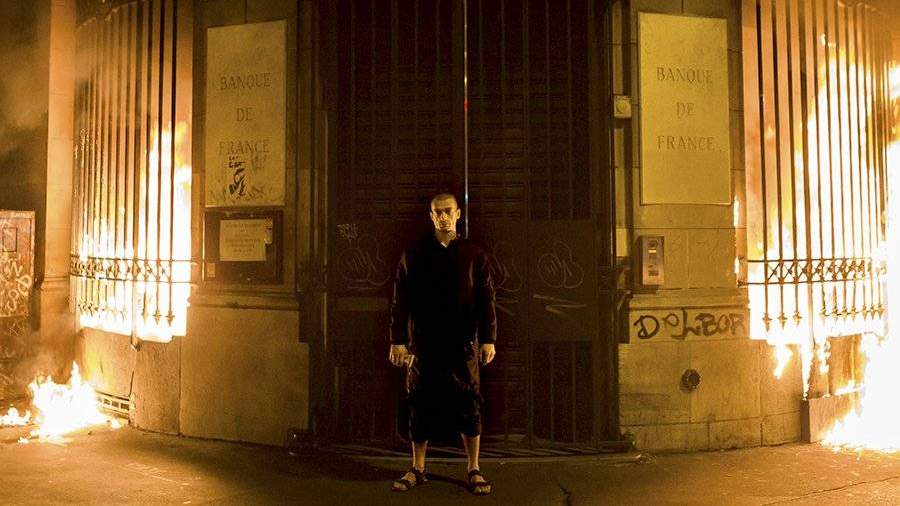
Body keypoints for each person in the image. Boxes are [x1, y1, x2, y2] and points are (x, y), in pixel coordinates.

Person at [388, 193, 497, 496]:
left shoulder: (474, 254)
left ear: (458, 214)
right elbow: (399, 300)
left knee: (469, 402)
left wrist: (489, 339)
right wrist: (397, 341)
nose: (443, 217)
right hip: (423, 344)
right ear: (431, 216)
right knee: (419, 402)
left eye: (448, 211)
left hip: (463, 343)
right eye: (438, 212)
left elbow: (487, 299)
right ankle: (417, 467)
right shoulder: (414, 254)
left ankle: (473, 468)